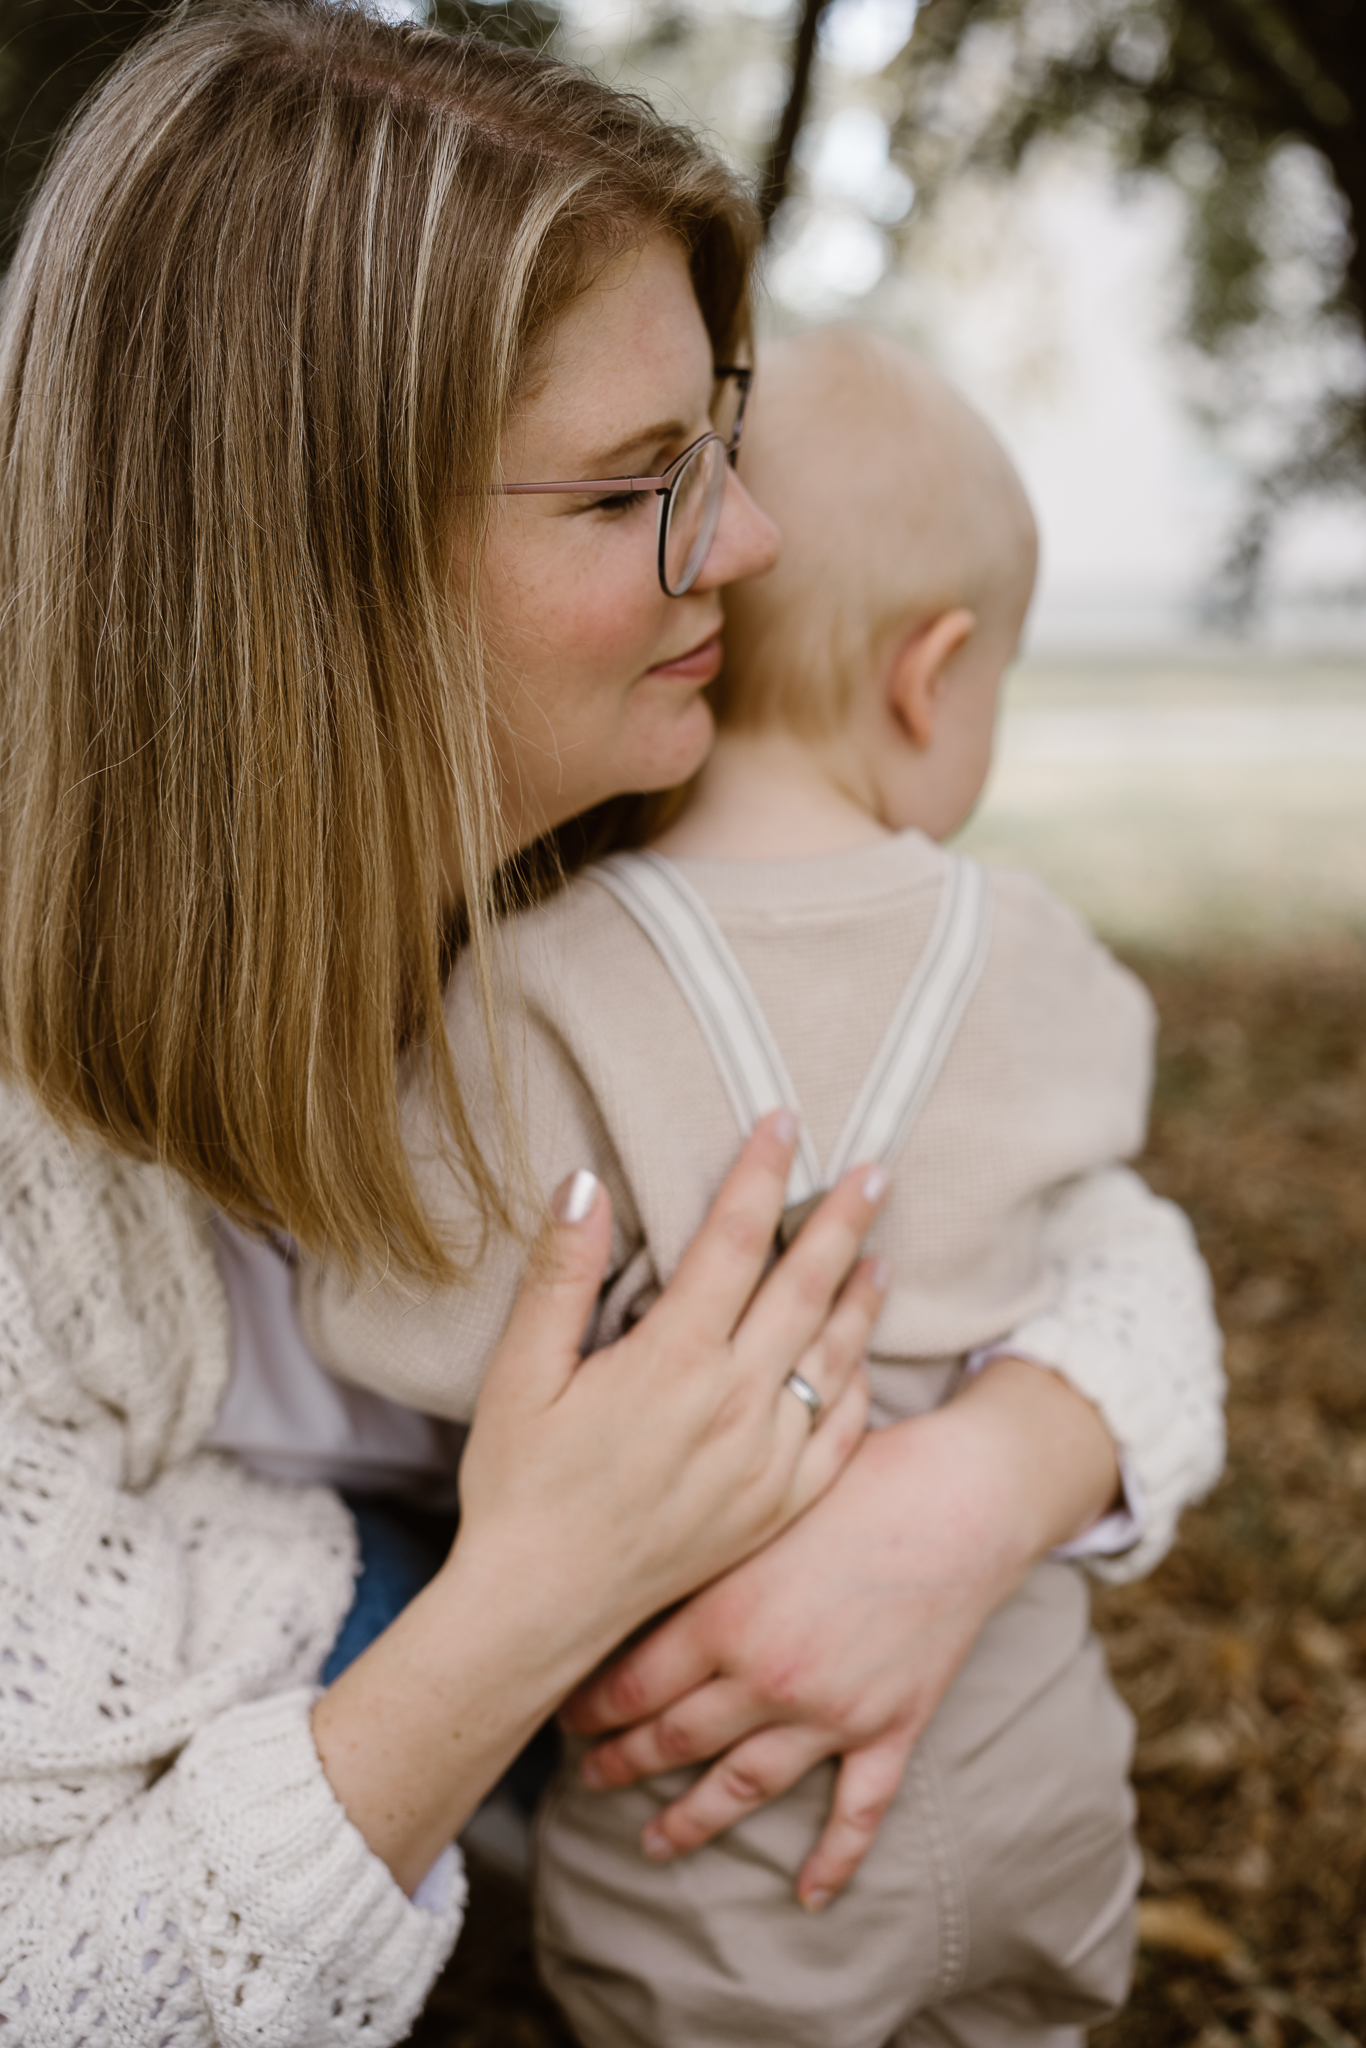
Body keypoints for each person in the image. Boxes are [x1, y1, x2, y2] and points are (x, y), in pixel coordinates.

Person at [0, 5, 1220, 2041]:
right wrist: (540, 1590)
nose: (739, 547)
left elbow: (1100, 1229)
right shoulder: (43, 1178)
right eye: (634, 489)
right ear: (309, 566)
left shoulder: (609, 857)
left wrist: (976, 1487)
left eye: (718, 449)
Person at [303, 329, 1226, 2046]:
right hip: (1034, 1763)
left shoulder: (541, 985)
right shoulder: (1038, 957)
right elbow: (1098, 1201)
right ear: (930, 676)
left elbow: (400, 1329)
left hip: (713, 1819)